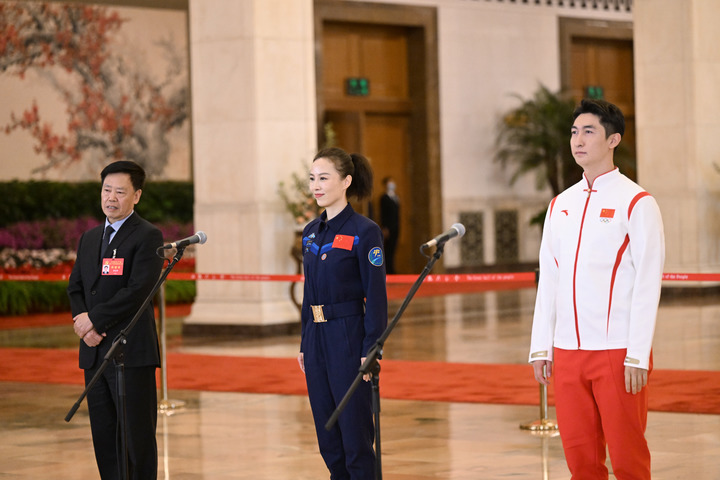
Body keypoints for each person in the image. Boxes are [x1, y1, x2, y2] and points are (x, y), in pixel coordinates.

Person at [528, 99, 665, 479]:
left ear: (613, 140)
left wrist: (637, 354)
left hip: (616, 351)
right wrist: (542, 346)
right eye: (574, 132)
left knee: (627, 458)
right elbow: (549, 280)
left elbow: (648, 282)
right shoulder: (560, 205)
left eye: (588, 131)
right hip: (567, 351)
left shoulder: (637, 202)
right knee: (581, 460)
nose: (578, 140)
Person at [67, 160, 164, 480]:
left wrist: (94, 321)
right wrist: (84, 326)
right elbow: (76, 287)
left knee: (136, 437)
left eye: (120, 192)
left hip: (130, 353)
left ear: (137, 195)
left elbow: (138, 291)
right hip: (95, 352)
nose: (111, 197)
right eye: (106, 190)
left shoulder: (148, 236)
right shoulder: (90, 238)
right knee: (105, 437)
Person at [297, 147, 388, 479]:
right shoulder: (310, 232)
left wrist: (372, 348)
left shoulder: (364, 231)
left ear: (346, 181)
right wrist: (304, 343)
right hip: (316, 339)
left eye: (324, 178)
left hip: (348, 337)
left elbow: (375, 296)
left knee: (354, 436)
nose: (316, 186)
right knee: (328, 438)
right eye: (312, 179)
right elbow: (309, 293)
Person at [379, 176, 400, 274]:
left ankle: (392, 269)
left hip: (395, 227)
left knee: (393, 248)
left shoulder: (396, 197)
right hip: (388, 228)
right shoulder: (384, 198)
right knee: (388, 250)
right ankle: (388, 270)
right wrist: (384, 227)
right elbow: (383, 214)